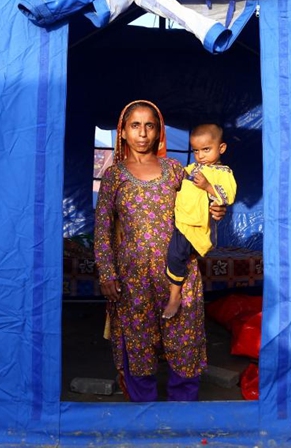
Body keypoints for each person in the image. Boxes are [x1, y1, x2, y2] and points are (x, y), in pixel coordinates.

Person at [94, 100, 225, 402]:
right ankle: (145, 414)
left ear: (159, 132)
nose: (142, 133)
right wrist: (107, 273)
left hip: (177, 274)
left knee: (184, 339)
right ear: (123, 132)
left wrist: (216, 207)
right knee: (138, 344)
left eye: (149, 125)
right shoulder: (114, 175)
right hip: (132, 278)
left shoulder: (175, 169)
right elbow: (102, 228)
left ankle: (182, 414)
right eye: (135, 126)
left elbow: (204, 197)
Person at [163, 123, 237, 319]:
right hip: (182, 221)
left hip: (196, 226)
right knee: (173, 255)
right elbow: (177, 179)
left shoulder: (224, 173)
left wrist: (208, 186)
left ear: (221, 148)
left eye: (206, 149)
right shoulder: (192, 168)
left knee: (175, 256)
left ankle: (174, 296)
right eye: (196, 150)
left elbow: (228, 196)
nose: (201, 155)